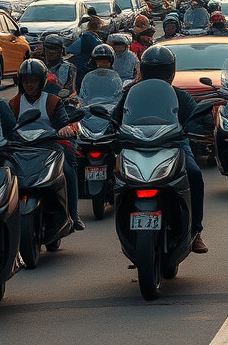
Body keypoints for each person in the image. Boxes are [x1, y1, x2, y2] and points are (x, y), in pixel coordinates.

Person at [111, 45, 207, 253]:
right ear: (143, 71)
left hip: (173, 145)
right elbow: (114, 118)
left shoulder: (178, 95)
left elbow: (199, 117)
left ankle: (196, 231)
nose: (158, 76)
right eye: (154, 72)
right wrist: (109, 130)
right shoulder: (130, 93)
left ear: (170, 72)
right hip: (135, 147)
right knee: (117, 177)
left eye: (161, 72)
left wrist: (200, 122)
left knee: (194, 174)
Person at [9, 59, 83, 231]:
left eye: (33, 80)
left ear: (41, 81)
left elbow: (63, 122)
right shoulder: (14, 103)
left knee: (68, 170)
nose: (29, 85)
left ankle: (73, 214)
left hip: (49, 146)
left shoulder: (53, 101)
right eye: (26, 81)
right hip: (21, 149)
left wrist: (65, 128)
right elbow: (7, 126)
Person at [67, 16, 104, 86]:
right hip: (91, 70)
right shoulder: (95, 40)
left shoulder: (83, 38)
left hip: (81, 70)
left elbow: (70, 51)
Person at [42, 34, 77, 98]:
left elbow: (71, 90)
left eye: (55, 48)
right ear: (44, 50)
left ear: (61, 50)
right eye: (48, 48)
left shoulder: (69, 68)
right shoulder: (39, 66)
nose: (51, 51)